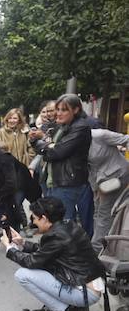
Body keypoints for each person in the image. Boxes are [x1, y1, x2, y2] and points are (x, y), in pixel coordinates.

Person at [1, 197, 105, 311]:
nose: (33, 222)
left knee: (22, 275)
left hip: (85, 293)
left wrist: (10, 249)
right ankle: (53, 309)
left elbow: (31, 262)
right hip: (88, 287)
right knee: (44, 266)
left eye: (34, 218)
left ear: (44, 218)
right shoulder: (68, 226)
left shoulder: (56, 236)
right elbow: (46, 252)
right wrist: (22, 244)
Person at [28, 94, 92, 225]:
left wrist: (45, 143)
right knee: (58, 222)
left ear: (76, 109)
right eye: (57, 109)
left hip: (68, 182)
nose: (59, 113)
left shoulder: (80, 126)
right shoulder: (61, 125)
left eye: (64, 109)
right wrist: (41, 143)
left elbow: (57, 152)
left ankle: (75, 245)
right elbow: (44, 149)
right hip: (54, 180)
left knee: (64, 223)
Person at [87, 129, 129, 251]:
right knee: (98, 213)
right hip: (97, 182)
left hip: (116, 176)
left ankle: (97, 249)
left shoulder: (99, 135)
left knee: (104, 214)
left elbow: (126, 139)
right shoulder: (72, 141)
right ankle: (103, 245)